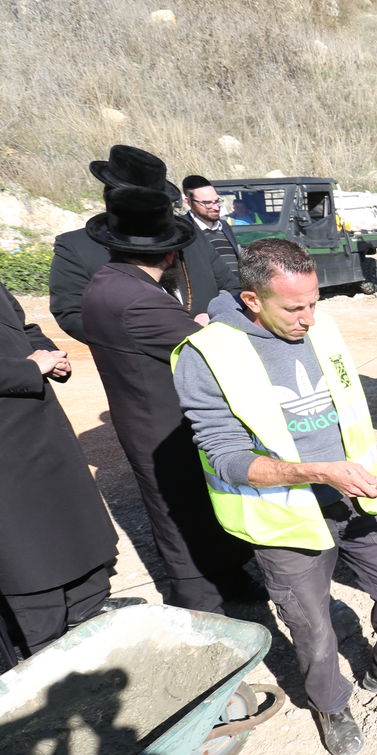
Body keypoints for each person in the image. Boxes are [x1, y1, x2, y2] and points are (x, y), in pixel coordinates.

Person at [173, 239, 377, 755]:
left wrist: (358, 470)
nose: (308, 317)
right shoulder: (207, 355)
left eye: (314, 302)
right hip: (285, 515)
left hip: (356, 501)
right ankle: (332, 705)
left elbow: (347, 410)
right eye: (293, 307)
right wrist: (316, 471)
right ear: (251, 300)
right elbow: (225, 457)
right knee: (313, 629)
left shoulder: (320, 327)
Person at [82, 186, 256, 613]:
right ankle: (199, 603)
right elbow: (212, 348)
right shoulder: (139, 300)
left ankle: (230, 578)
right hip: (160, 423)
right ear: (168, 255)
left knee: (201, 502)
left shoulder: (109, 281)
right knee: (180, 513)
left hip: (148, 414)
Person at [0, 283, 117, 672]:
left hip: (40, 428)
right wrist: (30, 368)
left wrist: (51, 353)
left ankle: (91, 616)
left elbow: (20, 326)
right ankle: (50, 667)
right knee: (28, 561)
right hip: (5, 452)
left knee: (75, 534)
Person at [50, 144, 238, 343]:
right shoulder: (76, 246)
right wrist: (157, 338)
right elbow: (71, 313)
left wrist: (216, 318)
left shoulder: (190, 238)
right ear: (107, 197)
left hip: (208, 353)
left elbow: (231, 288)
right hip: (139, 366)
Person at [181, 174, 239, 276]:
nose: (216, 207)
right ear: (188, 202)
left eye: (217, 201)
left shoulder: (224, 226)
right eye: (207, 203)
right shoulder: (183, 229)